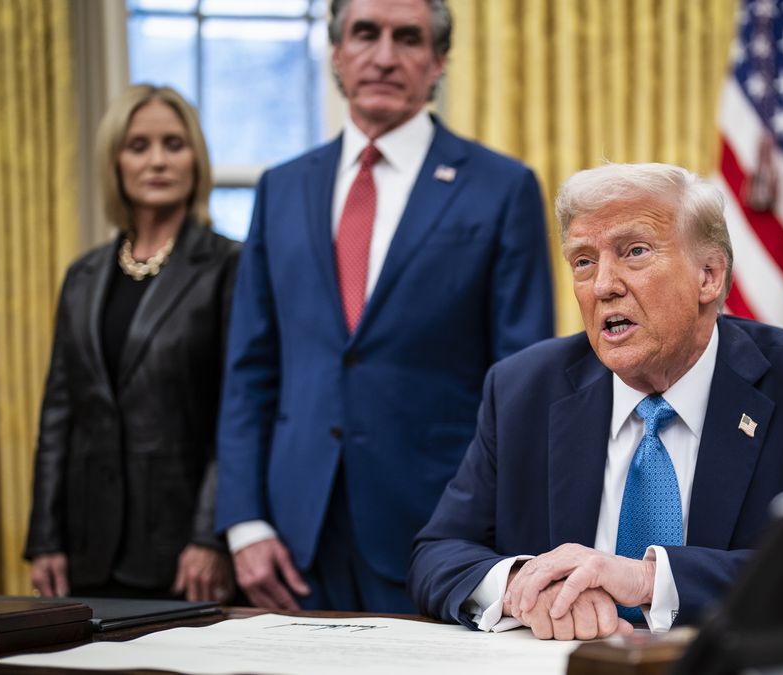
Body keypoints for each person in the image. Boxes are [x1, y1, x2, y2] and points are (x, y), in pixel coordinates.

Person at [408, 162, 783, 640]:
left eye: (634, 251)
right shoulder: (522, 390)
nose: (603, 285)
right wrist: (524, 586)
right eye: (583, 261)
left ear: (709, 276)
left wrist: (647, 581)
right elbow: (438, 551)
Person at [215, 0, 554, 613]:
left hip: (437, 530)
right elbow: (249, 370)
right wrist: (244, 522)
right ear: (337, 53)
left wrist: (499, 536)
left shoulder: (501, 188)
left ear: (438, 61)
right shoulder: (281, 187)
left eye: (409, 38)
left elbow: (523, 380)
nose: (384, 56)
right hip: (293, 540)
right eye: (365, 34)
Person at [24, 84, 238, 602]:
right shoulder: (83, 274)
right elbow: (59, 415)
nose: (158, 160)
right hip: (85, 548)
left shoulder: (230, 265)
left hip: (184, 551)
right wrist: (46, 538)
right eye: (138, 146)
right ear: (115, 161)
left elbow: (237, 413)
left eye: (174, 143)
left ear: (196, 159)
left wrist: (209, 535)